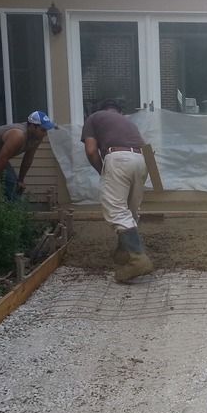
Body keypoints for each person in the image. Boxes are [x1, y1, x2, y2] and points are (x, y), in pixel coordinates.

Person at [81, 98, 154, 283]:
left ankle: (137, 260)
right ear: (118, 112)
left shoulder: (94, 118)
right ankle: (124, 255)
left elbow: (90, 151)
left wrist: (102, 172)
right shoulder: (128, 122)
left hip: (119, 158)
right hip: (142, 159)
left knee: (116, 210)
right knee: (130, 211)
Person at [0, 111, 55, 201]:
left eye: (46, 130)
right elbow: (2, 160)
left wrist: (21, 180)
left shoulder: (37, 137)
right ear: (32, 126)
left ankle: (13, 213)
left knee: (14, 187)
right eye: (43, 130)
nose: (45, 134)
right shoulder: (18, 135)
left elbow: (28, 158)